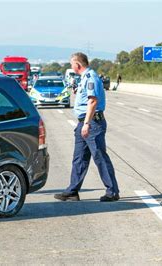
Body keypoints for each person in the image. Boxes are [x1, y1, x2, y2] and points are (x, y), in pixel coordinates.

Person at [54, 52, 120, 202]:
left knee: (100, 157)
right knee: (79, 158)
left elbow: (93, 101)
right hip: (84, 122)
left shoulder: (91, 77)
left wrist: (87, 124)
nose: (71, 67)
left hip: (92, 123)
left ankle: (112, 191)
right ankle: (72, 191)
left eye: (72, 64)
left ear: (77, 65)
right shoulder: (84, 78)